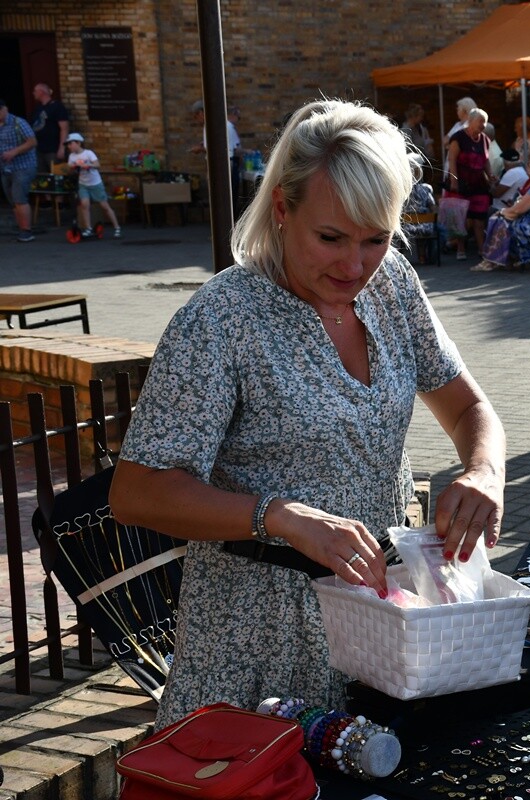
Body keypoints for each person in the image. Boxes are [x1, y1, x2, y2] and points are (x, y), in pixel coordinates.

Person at [107, 99, 506, 729]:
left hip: (374, 624)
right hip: (258, 633)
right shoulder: (222, 319)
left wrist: (484, 470)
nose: (354, 265)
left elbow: (467, 407)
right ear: (283, 209)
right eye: (331, 238)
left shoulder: (393, 284)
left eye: (376, 238)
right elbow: (136, 492)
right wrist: (278, 516)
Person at [473, 158, 530, 273]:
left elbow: (518, 210)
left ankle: (492, 261)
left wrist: (502, 211)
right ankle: (504, 259)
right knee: (500, 220)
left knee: (498, 222)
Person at [444, 107, 493, 261]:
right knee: (461, 218)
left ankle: (481, 249)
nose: (483, 125)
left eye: (485, 122)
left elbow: (486, 160)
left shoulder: (484, 139)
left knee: (479, 217)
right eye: (481, 121)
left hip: (478, 183)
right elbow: (452, 159)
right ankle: (460, 248)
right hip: (461, 182)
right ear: (470, 121)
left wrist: (490, 175)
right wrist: (454, 180)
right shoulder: (458, 137)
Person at [65, 132, 122, 239]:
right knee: (84, 205)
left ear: (78, 143)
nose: (69, 146)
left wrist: (88, 165)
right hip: (83, 184)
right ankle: (88, 228)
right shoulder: (72, 156)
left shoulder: (88, 153)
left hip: (95, 183)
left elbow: (97, 164)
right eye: (68, 144)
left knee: (104, 206)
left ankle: (117, 227)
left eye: (70, 143)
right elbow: (69, 169)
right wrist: (73, 167)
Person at [0, 98, 38, 242]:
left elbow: (32, 142)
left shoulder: (18, 122)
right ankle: (21, 227)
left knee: (19, 197)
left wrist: (14, 152)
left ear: (4, 109)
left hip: (23, 166)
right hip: (5, 167)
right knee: (12, 200)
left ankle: (27, 231)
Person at [29, 83, 69, 173]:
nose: (33, 93)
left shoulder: (57, 107)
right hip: (38, 149)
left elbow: (64, 128)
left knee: (58, 176)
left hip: (53, 150)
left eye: (35, 91)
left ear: (41, 92)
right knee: (42, 179)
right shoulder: (38, 108)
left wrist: (62, 148)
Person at [490, 148, 529, 213]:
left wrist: (491, 184)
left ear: (506, 162)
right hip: (510, 209)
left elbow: (496, 194)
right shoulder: (521, 170)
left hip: (501, 210)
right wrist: (498, 182)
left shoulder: (511, 173)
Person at [400, 103, 434, 175]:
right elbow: (407, 148)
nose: (421, 118)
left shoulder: (418, 128)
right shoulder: (406, 129)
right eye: (420, 116)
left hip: (420, 162)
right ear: (414, 116)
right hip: (412, 165)